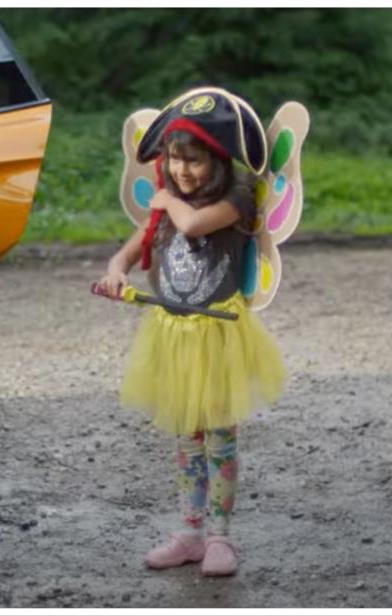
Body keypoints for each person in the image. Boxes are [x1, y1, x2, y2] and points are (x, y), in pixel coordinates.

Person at [97, 88, 286, 577]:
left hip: (217, 336)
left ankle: (221, 538)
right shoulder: (169, 202)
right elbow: (136, 245)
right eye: (174, 161)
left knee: (220, 438)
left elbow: (197, 225)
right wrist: (117, 269)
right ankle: (190, 533)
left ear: (217, 158)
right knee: (187, 438)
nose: (182, 172)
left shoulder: (237, 197)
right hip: (174, 335)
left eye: (194, 161)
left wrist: (164, 198)